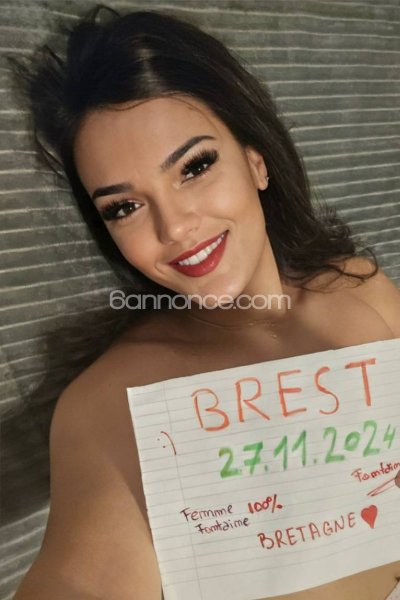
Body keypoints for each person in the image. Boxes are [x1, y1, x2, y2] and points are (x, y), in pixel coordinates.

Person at [12, 4, 400, 599]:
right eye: (124, 206)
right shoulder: (112, 407)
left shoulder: (360, 284)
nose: (174, 227)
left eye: (194, 167)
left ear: (256, 161)